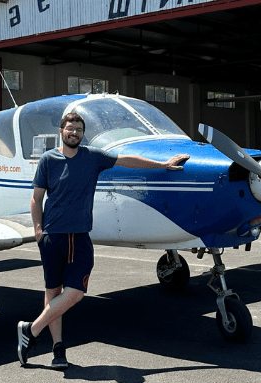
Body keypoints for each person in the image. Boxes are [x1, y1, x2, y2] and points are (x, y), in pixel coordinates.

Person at [18, 112, 189, 369]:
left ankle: (30, 331)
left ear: (81, 133)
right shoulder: (48, 160)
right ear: (61, 131)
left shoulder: (92, 157)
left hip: (80, 236)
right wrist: (38, 228)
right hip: (52, 236)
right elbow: (36, 198)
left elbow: (127, 160)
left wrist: (162, 164)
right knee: (52, 292)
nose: (73, 133)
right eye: (69, 128)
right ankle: (58, 350)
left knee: (74, 293)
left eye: (78, 129)